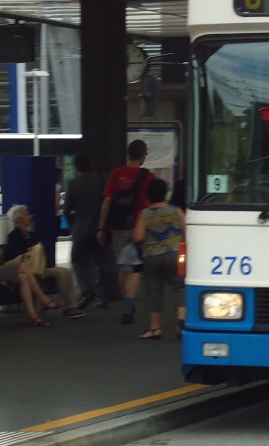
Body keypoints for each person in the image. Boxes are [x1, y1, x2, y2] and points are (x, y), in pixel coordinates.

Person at [97, 140, 153, 325]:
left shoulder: (116, 173)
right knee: (136, 266)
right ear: (143, 154)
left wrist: (101, 227)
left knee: (123, 266)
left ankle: (126, 302)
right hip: (139, 225)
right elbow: (153, 205)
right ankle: (128, 305)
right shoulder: (148, 177)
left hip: (117, 225)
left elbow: (106, 202)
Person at [3, 204, 84, 318]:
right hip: (29, 269)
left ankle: (72, 304)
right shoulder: (14, 235)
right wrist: (26, 251)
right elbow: (8, 255)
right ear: (19, 219)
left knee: (67, 271)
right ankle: (69, 307)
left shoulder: (30, 234)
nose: (29, 216)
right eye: (26, 214)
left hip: (38, 267)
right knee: (60, 273)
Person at [64, 154, 116, 310]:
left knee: (78, 261)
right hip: (101, 229)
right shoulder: (103, 179)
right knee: (102, 264)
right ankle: (102, 297)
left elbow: (67, 210)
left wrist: (75, 224)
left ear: (76, 167)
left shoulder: (73, 184)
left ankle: (87, 291)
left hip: (81, 230)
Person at [135, 178, 185, 340]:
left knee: (153, 289)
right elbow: (187, 231)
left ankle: (155, 328)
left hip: (152, 256)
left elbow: (138, 236)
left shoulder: (145, 213)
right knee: (179, 286)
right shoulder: (176, 211)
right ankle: (181, 320)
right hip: (175, 254)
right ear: (165, 193)